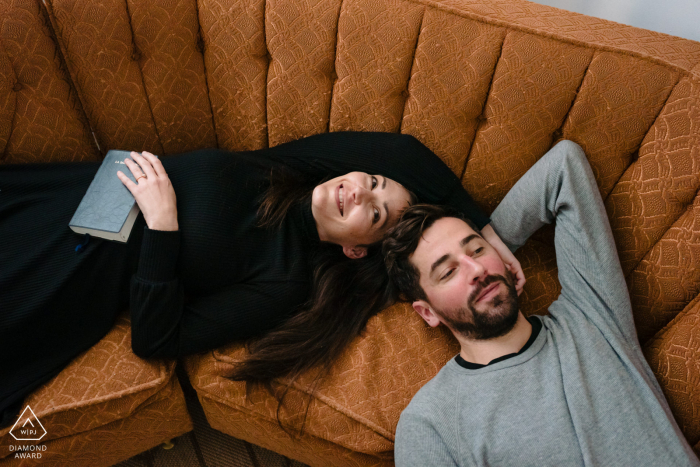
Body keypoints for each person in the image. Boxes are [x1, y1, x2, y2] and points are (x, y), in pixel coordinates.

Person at [0, 131, 523, 429]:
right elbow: (406, 151)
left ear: (356, 248)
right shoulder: (286, 168)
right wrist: (485, 228)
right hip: (60, 194)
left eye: (377, 212)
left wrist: (163, 226)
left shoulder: (284, 280)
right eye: (372, 181)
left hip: (71, 269)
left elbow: (156, 339)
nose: (360, 192)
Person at [384, 140, 699, 466]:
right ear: (427, 312)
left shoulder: (591, 313)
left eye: (477, 250)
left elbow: (564, 167)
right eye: (449, 271)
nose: (477, 270)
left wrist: (495, 239)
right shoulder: (430, 423)